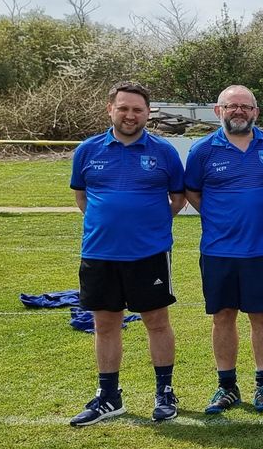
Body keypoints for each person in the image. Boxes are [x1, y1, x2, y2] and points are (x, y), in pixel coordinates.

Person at [67, 81, 187, 426]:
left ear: (148, 113)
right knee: (105, 324)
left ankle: (164, 392)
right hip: (99, 253)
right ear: (110, 110)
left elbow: (176, 200)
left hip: (149, 254)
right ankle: (109, 397)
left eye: (137, 109)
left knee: (157, 322)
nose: (130, 115)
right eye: (124, 108)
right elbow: (82, 198)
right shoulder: (88, 150)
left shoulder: (163, 152)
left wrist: (146, 224)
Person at [183, 85, 263, 414]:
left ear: (256, 112)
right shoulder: (202, 151)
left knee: (261, 316)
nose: (238, 111)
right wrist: (221, 218)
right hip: (219, 250)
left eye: (245, 106)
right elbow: (193, 193)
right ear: (219, 111)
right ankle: (227, 386)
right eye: (231, 106)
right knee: (223, 316)